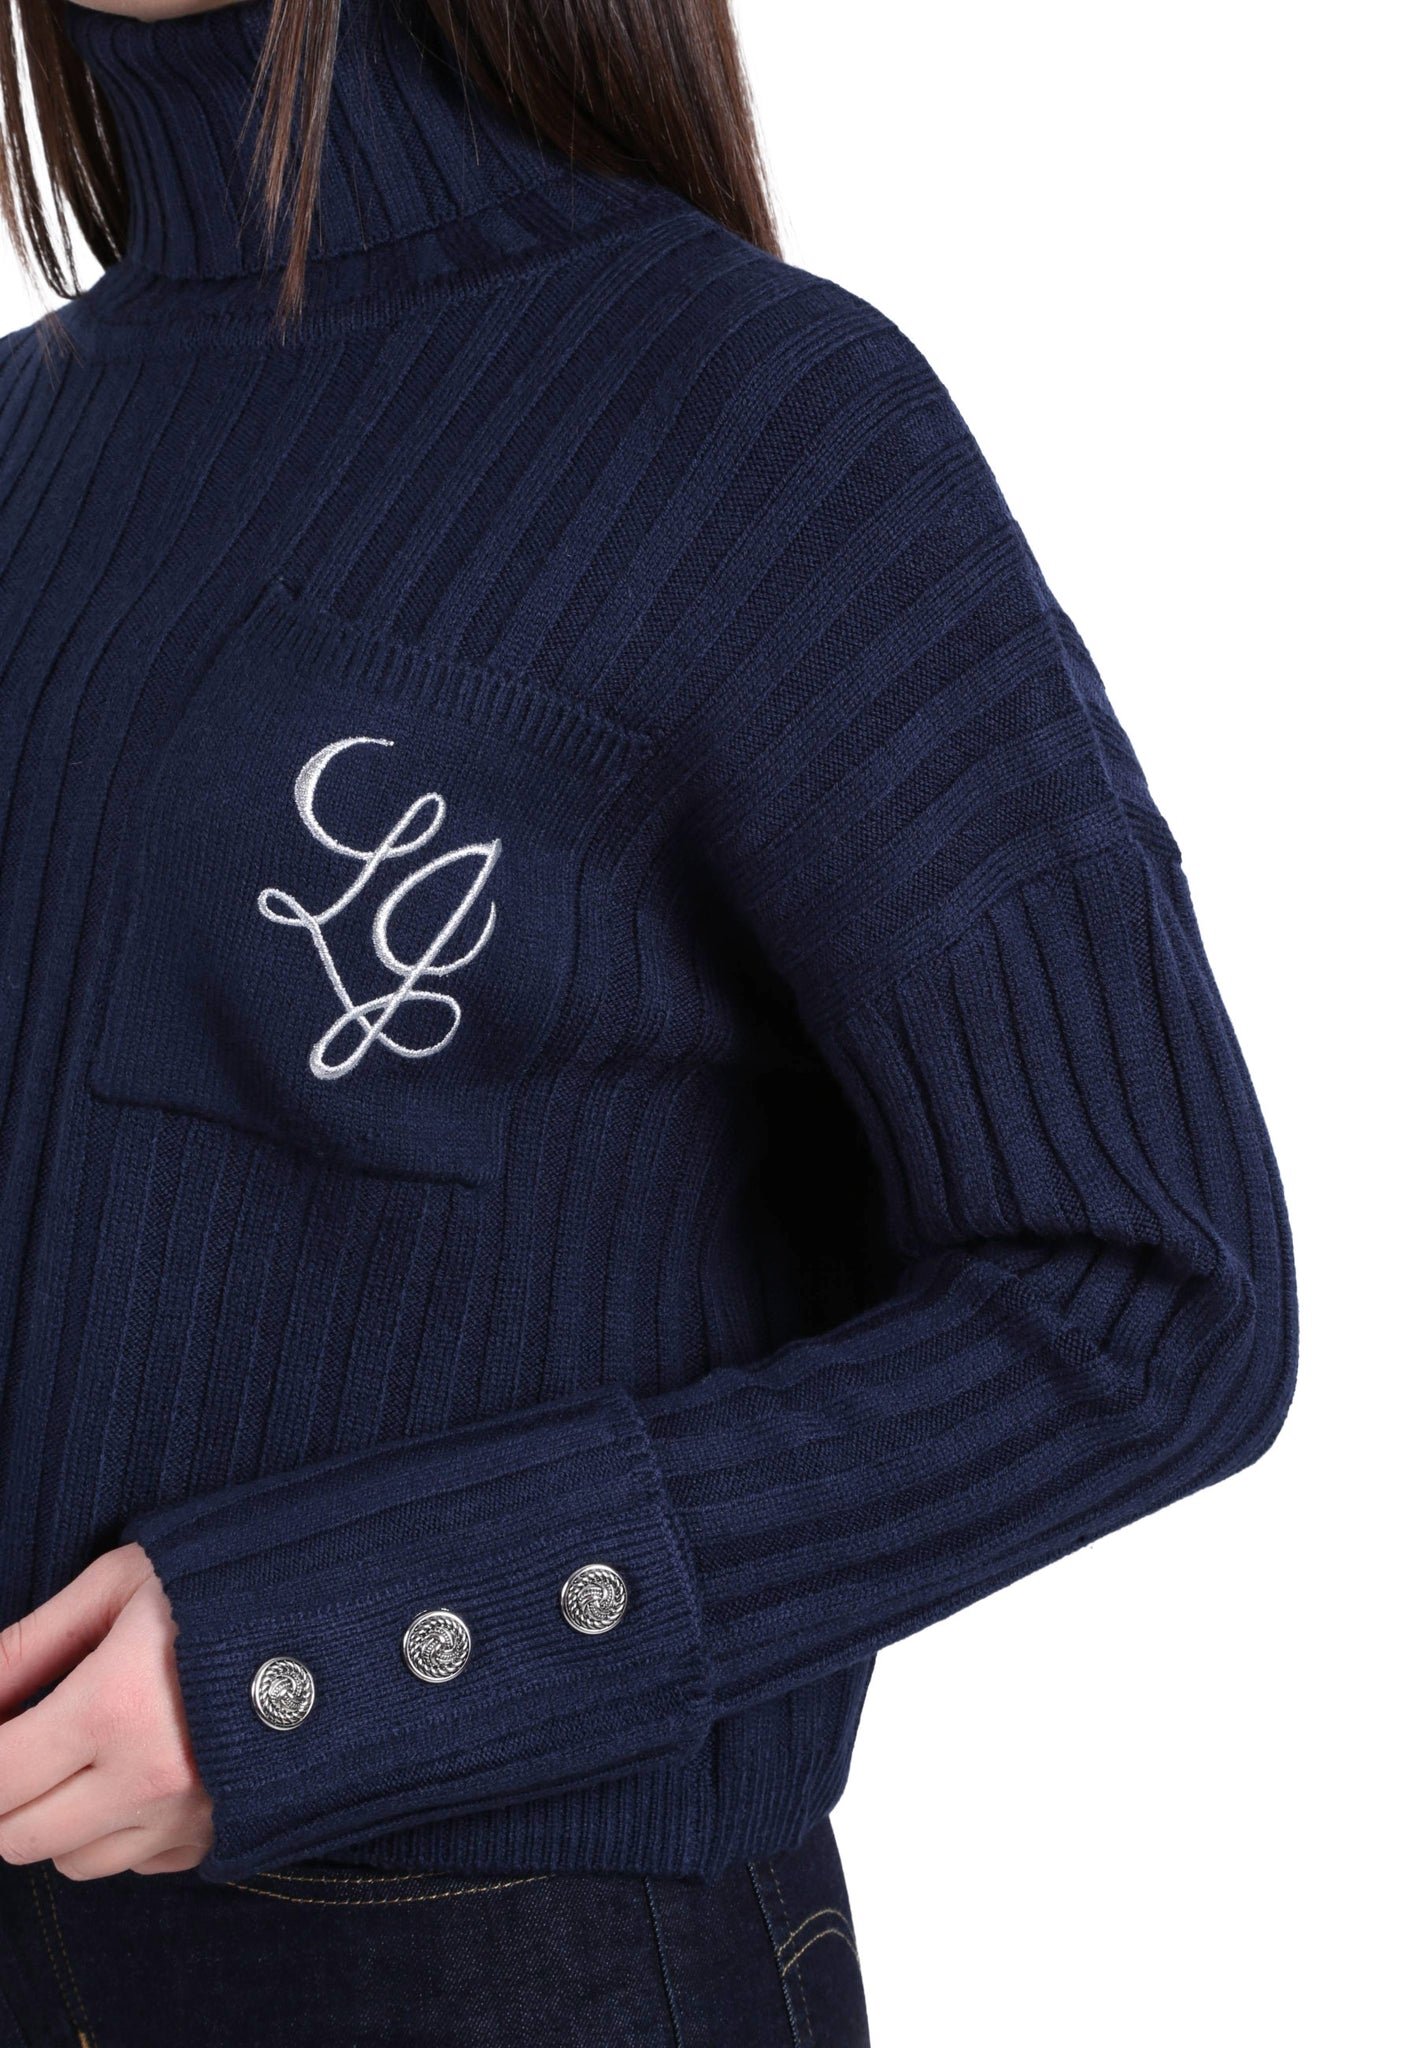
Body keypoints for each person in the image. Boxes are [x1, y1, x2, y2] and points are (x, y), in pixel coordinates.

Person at [0, 0, 1298, 2039]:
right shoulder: (25, 441)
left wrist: (325, 1655)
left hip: (490, 1966)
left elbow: (1150, 1292)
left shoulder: (750, 415)